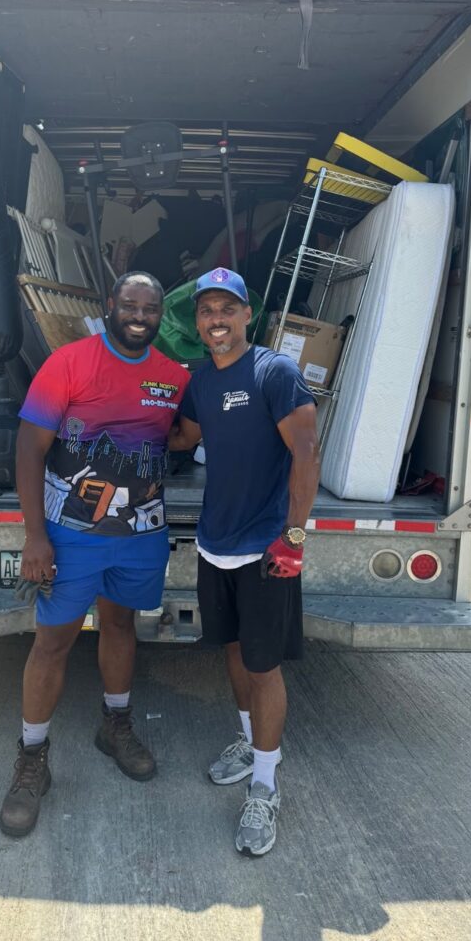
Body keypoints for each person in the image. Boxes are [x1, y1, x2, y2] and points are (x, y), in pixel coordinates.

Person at [0, 271, 190, 838]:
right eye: (129, 305)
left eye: (149, 308)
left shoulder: (174, 376)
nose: (139, 316)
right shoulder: (69, 363)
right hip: (71, 535)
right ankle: (32, 757)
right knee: (52, 642)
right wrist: (36, 536)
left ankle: (116, 725)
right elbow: (29, 449)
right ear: (111, 305)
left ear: (160, 314)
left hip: (140, 536)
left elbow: (184, 436)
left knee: (121, 626)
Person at [170, 266, 319, 857]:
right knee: (232, 651)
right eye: (207, 310)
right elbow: (183, 437)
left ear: (247, 315)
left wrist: (294, 537)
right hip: (215, 544)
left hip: (264, 548)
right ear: (198, 321)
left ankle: (265, 785)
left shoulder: (273, 372)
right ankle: (249, 741)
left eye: (227, 309)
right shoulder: (201, 381)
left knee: (264, 667)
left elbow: (306, 453)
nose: (217, 320)